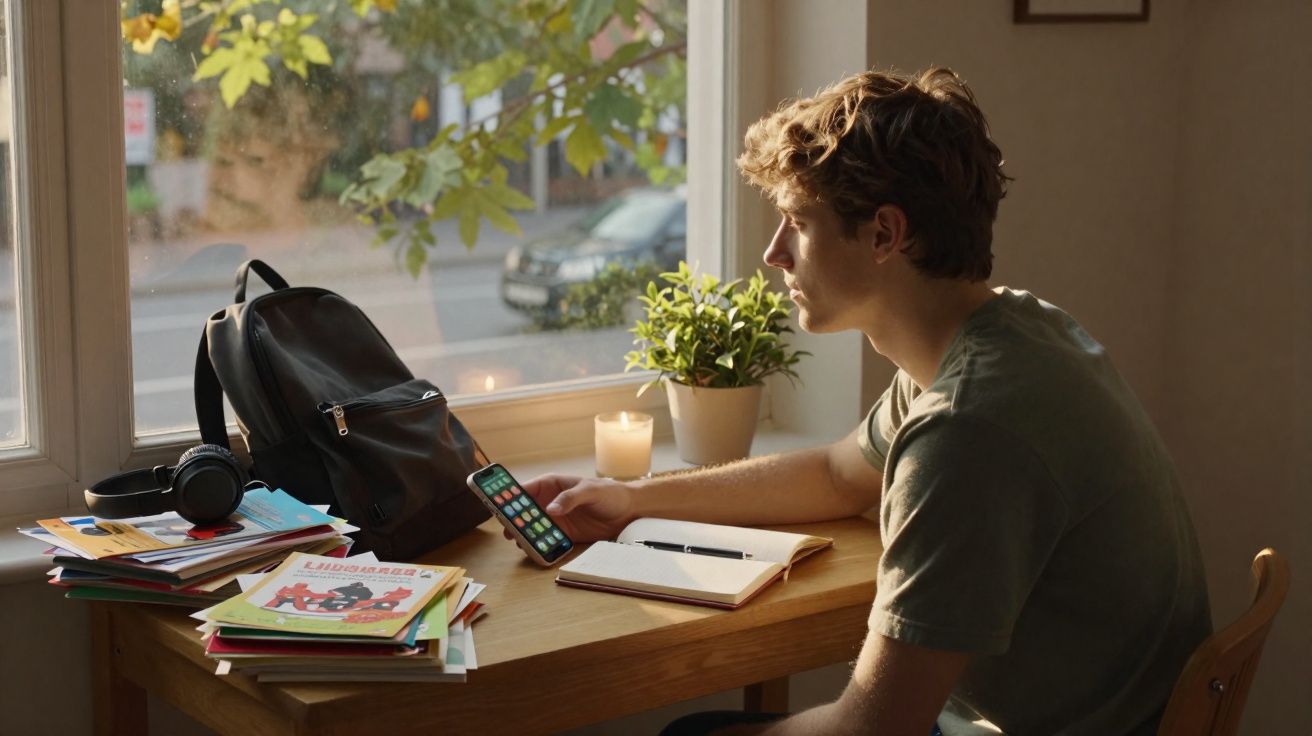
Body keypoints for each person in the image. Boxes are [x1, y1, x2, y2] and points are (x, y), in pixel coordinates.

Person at [523, 67, 1211, 736]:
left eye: (796, 221)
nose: (773, 253)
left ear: (885, 234)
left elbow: (874, 726)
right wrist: (634, 500)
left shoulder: (970, 427)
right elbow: (836, 473)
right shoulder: (1006, 334)